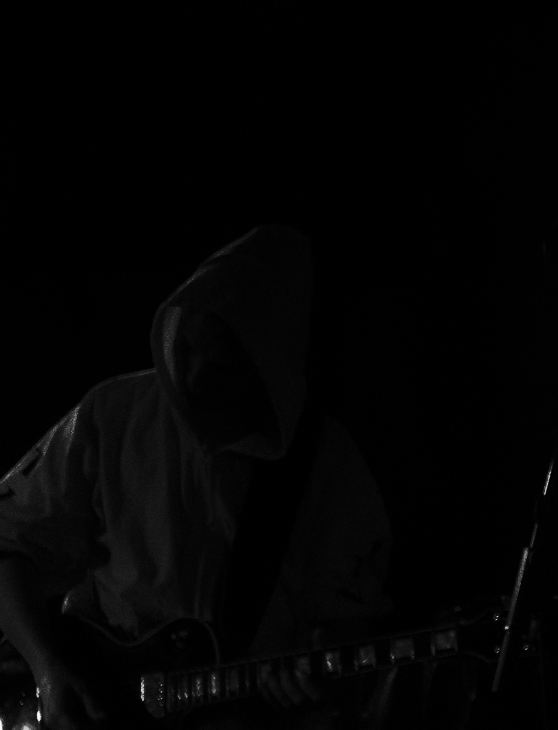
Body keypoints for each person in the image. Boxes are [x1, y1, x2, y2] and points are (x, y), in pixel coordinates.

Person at [0, 226, 393, 730]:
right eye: (188, 349)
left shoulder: (329, 465)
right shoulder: (112, 415)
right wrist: (49, 671)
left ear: (268, 365)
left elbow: (347, 630)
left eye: (223, 361)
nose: (195, 377)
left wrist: (321, 668)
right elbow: (7, 541)